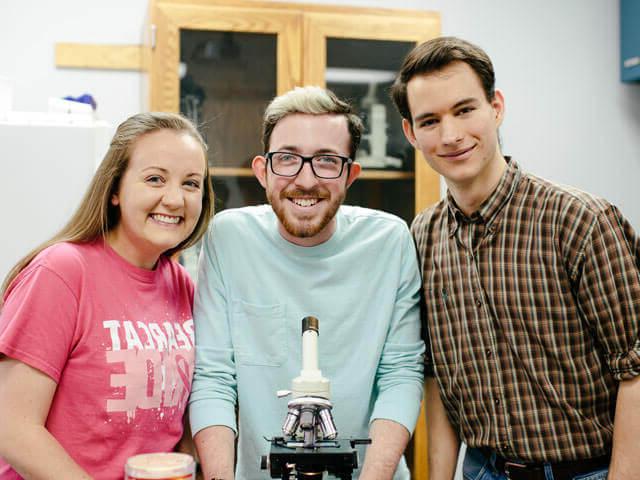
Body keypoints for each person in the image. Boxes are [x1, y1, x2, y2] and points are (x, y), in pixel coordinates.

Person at [390, 36, 640, 480]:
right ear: (411, 133)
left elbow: (635, 369)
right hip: (482, 470)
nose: (450, 135)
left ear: (496, 107)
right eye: (430, 120)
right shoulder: (421, 237)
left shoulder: (580, 221)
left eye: (465, 110)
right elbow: (435, 377)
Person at [189, 86, 425, 480]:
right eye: (288, 158)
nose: (305, 179)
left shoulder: (389, 242)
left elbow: (401, 374)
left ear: (351, 175)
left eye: (327, 161)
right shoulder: (228, 239)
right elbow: (213, 377)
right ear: (263, 170)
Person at [0, 112, 214, 480]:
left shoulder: (181, 285)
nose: (175, 199)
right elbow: (12, 427)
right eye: (155, 179)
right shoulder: (63, 271)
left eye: (191, 184)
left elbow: (175, 426)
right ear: (115, 189)